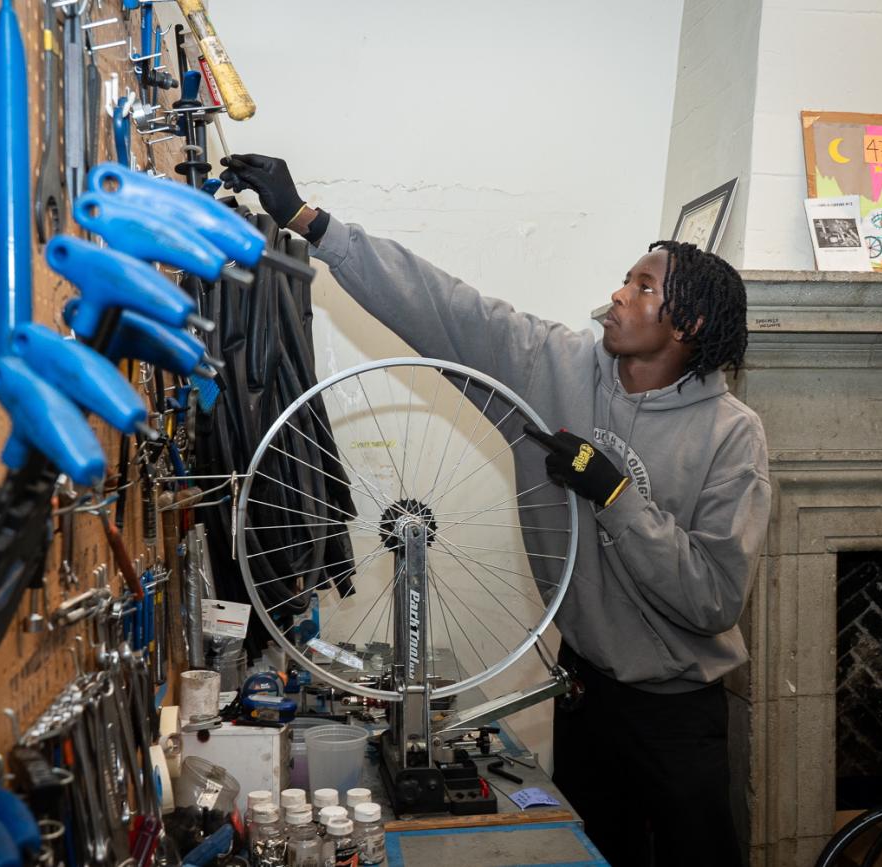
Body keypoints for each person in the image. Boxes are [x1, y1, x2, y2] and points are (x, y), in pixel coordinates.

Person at [221, 154, 771, 867]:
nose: (617, 293)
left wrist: (616, 498)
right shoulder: (554, 366)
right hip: (587, 691)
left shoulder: (733, 434)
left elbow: (715, 599)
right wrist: (309, 220)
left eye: (642, 286)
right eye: (626, 278)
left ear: (688, 323)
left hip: (678, 710)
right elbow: (443, 305)